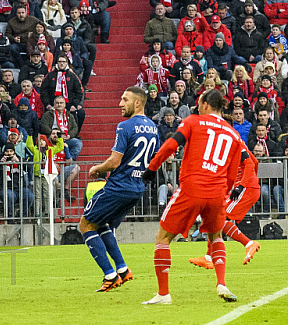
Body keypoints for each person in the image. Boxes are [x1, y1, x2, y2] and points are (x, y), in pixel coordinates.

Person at [141, 89, 246, 305]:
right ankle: (221, 283)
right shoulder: (234, 134)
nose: (197, 107)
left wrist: (152, 167)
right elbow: (232, 172)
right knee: (216, 237)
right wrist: (223, 194)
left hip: (192, 188)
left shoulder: (193, 121)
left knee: (163, 237)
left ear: (206, 104)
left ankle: (163, 294)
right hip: (217, 192)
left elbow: (171, 145)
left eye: (199, 104)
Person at [80, 87, 160, 292]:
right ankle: (123, 270)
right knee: (101, 224)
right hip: (136, 188)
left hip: (118, 186)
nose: (120, 104)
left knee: (86, 225)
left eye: (125, 99)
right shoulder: (153, 127)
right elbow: (156, 159)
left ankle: (110, 275)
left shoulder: (125, 126)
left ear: (138, 103)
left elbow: (115, 161)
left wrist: (98, 168)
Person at [189, 147, 262, 269]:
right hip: (246, 187)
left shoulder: (234, 143)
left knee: (219, 219)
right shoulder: (230, 143)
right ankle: (208, 258)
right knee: (215, 219)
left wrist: (243, 184)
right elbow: (255, 162)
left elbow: (250, 164)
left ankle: (249, 243)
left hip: (246, 189)